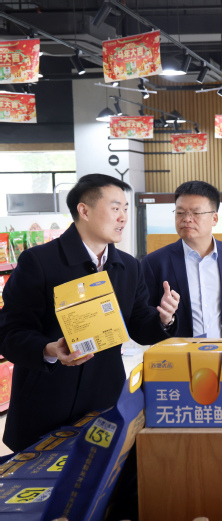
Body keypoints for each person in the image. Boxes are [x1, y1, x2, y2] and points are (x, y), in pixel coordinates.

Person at [0, 174, 179, 452]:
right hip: (46, 403)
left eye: (125, 209)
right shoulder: (39, 262)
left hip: (103, 402)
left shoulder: (128, 266)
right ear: (84, 211)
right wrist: (49, 349)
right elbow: (10, 332)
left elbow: (139, 325)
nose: (123, 217)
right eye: (115, 208)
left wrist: (163, 319)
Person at [142, 181, 222, 338]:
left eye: (196, 213)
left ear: (214, 218)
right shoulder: (155, 263)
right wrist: (166, 321)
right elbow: (146, 320)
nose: (187, 219)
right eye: (180, 212)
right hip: (179, 352)